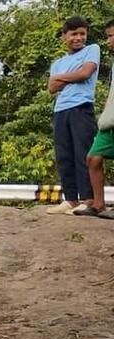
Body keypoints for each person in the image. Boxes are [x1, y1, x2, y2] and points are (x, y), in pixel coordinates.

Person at [47, 16, 100, 215]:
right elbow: (52, 87)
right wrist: (70, 76)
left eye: (82, 34)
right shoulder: (58, 62)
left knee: (83, 154)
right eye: (73, 34)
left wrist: (61, 78)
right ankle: (70, 200)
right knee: (64, 156)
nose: (78, 38)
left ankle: (88, 200)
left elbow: (85, 73)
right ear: (64, 36)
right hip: (60, 110)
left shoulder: (92, 49)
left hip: (82, 108)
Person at [75, 20, 114, 219]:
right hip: (109, 122)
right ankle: (99, 204)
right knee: (93, 157)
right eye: (107, 36)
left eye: (111, 36)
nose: (108, 41)